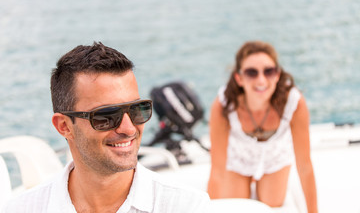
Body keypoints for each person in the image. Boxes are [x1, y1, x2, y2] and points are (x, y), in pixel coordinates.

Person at [2, 42, 210, 213]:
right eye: (106, 116)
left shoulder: (187, 206)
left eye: (138, 110)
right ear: (64, 126)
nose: (128, 128)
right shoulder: (21, 209)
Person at [207, 41, 318, 212]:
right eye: (252, 72)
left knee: (271, 204)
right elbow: (217, 171)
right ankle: (247, 181)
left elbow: (304, 166)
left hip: (275, 158)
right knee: (236, 206)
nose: (261, 80)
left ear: (277, 75)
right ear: (239, 78)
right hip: (238, 159)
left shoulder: (294, 103)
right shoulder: (223, 105)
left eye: (269, 71)